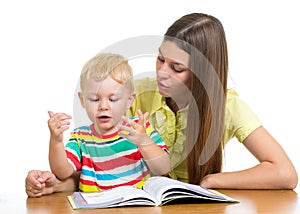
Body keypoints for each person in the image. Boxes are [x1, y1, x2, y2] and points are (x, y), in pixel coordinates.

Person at [26, 13, 297, 197]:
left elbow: (285, 174)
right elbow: (103, 163)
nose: (162, 73)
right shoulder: (136, 94)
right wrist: (55, 186)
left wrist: (213, 181)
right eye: (160, 59)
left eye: (176, 67)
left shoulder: (228, 107)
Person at [40, 53, 170, 193]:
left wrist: (144, 142)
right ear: (82, 100)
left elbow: (163, 169)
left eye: (113, 99)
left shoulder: (139, 129)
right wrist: (56, 141)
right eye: (95, 99)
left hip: (137, 205)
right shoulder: (80, 137)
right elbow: (62, 172)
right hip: (96, 207)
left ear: (129, 100)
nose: (103, 106)